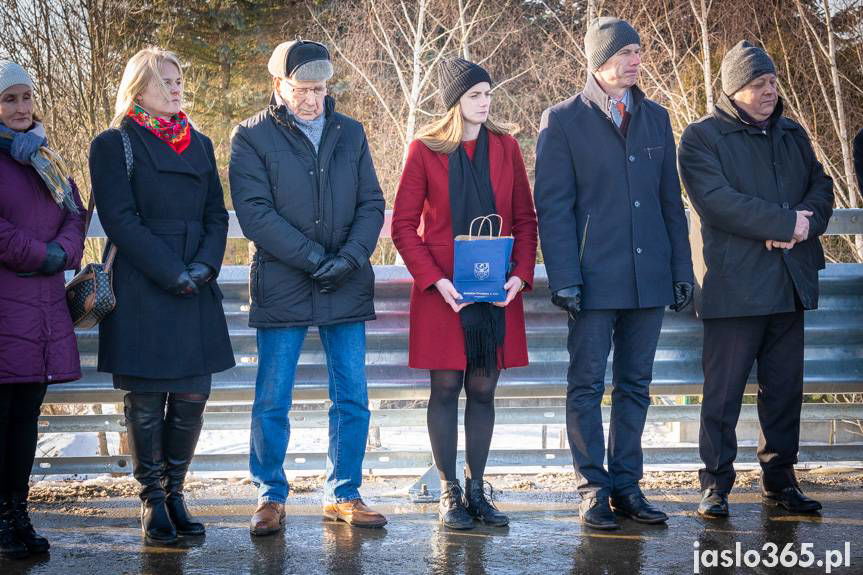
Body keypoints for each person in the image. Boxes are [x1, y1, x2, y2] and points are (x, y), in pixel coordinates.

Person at [534, 17, 694, 530]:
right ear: (599, 60)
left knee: (635, 385)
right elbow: (552, 207)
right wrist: (564, 276)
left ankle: (627, 485)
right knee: (585, 383)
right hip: (592, 278)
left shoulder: (657, 118)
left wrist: (681, 268)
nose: (635, 60)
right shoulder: (561, 121)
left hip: (649, 276)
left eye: (638, 51)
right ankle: (592, 489)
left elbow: (673, 201)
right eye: (625, 52)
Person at [230, 39, 386, 534]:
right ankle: (270, 494)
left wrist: (352, 257)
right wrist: (316, 259)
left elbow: (372, 203)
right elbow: (255, 214)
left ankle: (344, 493)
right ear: (278, 85)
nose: (311, 99)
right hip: (283, 281)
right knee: (273, 396)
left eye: (319, 90)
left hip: (346, 279)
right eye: (301, 89)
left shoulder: (351, 133)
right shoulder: (250, 136)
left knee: (352, 395)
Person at [678, 40, 834, 518]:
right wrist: (784, 225)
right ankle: (716, 484)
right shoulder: (701, 137)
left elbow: (821, 185)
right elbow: (716, 200)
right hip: (732, 286)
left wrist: (805, 220)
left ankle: (780, 481)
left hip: (789, 282)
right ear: (732, 90)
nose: (769, 91)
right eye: (757, 84)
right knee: (722, 394)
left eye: (771, 81)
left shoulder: (791, 132)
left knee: (784, 390)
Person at [89, 47, 235, 544]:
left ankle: (176, 491)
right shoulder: (113, 143)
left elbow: (217, 214)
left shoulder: (200, 142)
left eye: (178, 79)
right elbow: (120, 220)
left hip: (197, 282)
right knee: (147, 400)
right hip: (143, 284)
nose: (176, 88)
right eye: (165, 80)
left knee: (193, 397)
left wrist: (205, 266)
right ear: (139, 87)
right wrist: (171, 271)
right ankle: (151, 499)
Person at [392, 58, 538, 529]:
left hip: (495, 292)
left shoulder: (506, 147)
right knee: (446, 387)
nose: (486, 102)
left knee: (483, 387)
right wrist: (435, 279)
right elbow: (402, 226)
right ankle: (449, 493)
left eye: (488, 94)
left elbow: (525, 220)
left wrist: (519, 276)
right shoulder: (424, 150)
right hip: (444, 291)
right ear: (455, 101)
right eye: (476, 95)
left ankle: (478, 490)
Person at [0, 60, 85, 559]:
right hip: (6, 307)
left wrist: (63, 251)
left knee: (26, 417)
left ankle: (18, 512)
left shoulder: (46, 159)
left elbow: (75, 213)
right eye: (8, 100)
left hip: (42, 313)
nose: (20, 108)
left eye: (25, 98)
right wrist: (43, 255)